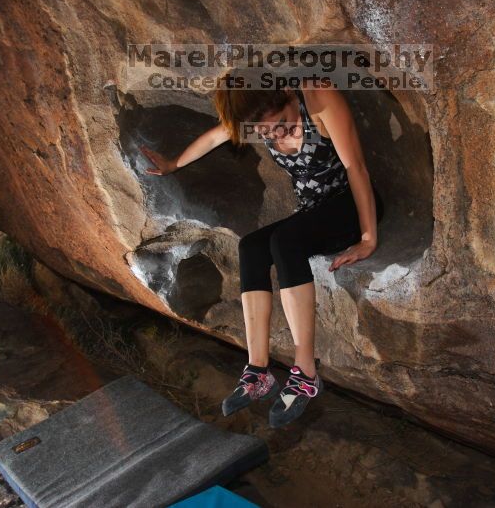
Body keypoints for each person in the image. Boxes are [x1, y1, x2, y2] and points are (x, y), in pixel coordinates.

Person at [140, 77, 384, 428]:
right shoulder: (257, 115)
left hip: (347, 206)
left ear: (286, 95)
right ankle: (258, 370)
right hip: (312, 213)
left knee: (285, 242)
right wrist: (174, 164)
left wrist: (367, 238)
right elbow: (214, 136)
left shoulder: (318, 98)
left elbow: (356, 168)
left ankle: (305, 374)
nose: (277, 136)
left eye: (282, 126)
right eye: (267, 134)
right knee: (252, 246)